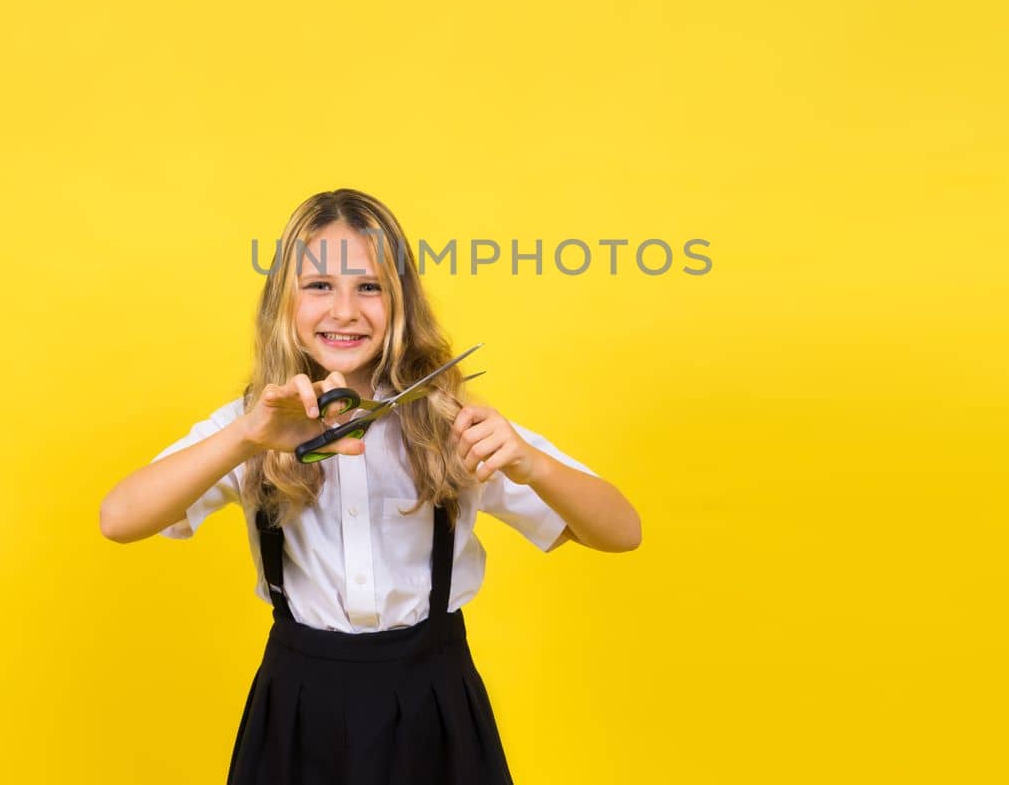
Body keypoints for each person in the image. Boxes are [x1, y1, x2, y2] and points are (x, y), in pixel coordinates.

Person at [100, 188, 641, 785]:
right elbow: (119, 520)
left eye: (370, 286)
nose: (345, 310)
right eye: (319, 286)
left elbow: (622, 532)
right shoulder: (252, 423)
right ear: (284, 301)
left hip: (434, 703)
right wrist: (250, 436)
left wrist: (531, 463)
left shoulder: (449, 418)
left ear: (401, 302)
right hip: (297, 706)